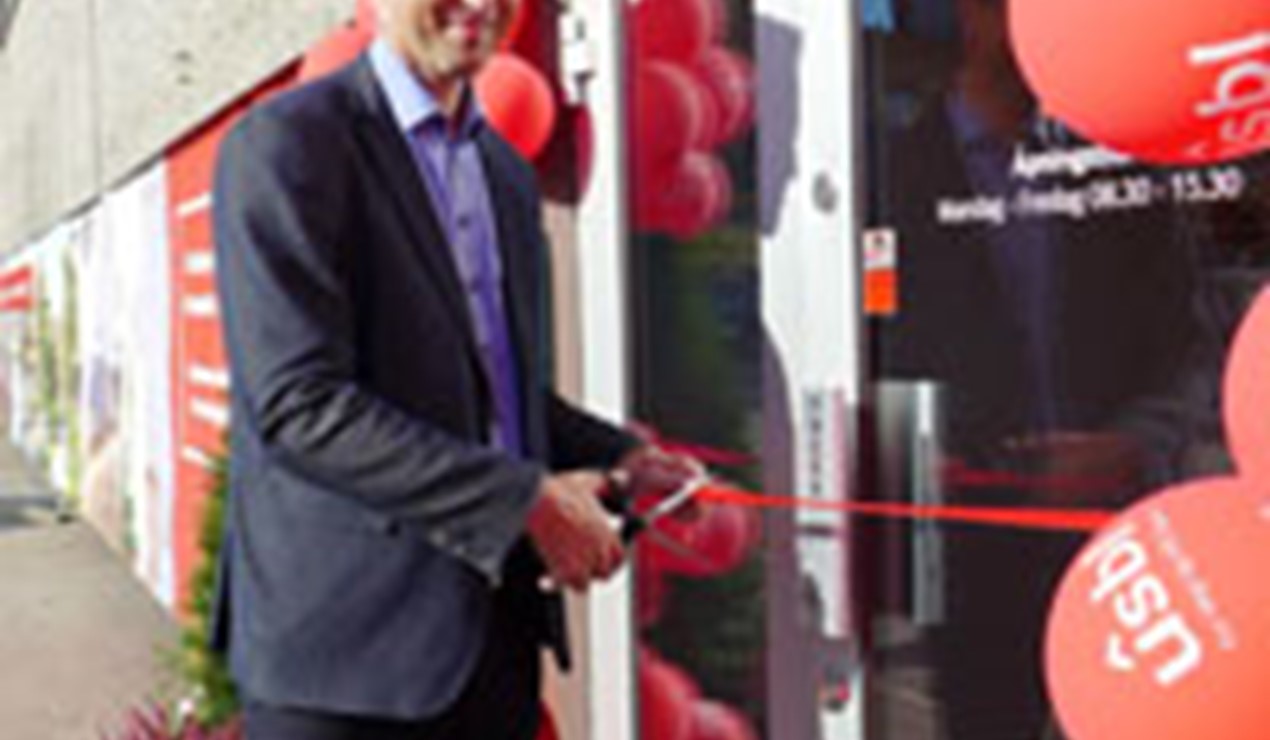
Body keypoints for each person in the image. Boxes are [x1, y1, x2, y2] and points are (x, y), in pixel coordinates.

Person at [210, 1, 701, 737]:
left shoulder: (503, 172)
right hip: (342, 669)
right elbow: (299, 404)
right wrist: (526, 501)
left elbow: (500, 395)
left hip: (493, 653)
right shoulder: (289, 143)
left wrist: (623, 457)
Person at [868, 0, 1221, 737]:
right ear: (975, 19)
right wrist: (911, 517)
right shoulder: (892, 176)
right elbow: (876, 361)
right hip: (973, 558)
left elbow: (1191, 343)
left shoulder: (1114, 174)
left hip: (1123, 548)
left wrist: (1133, 443)